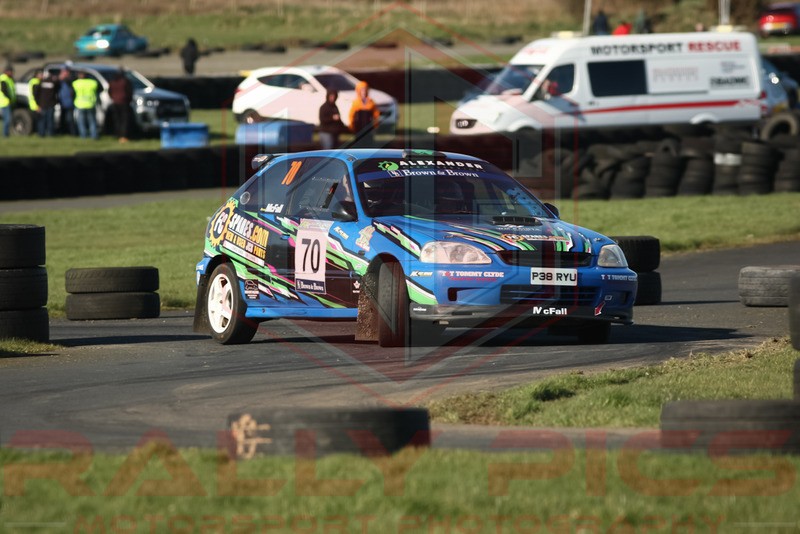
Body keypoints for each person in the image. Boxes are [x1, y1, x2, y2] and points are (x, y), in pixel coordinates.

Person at [348, 80, 380, 147]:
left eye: (365, 90)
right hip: (358, 128)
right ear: (358, 91)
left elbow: (376, 115)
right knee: (359, 145)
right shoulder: (356, 102)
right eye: (362, 90)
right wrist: (352, 126)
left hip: (368, 128)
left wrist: (376, 125)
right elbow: (351, 115)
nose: (364, 92)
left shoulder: (371, 102)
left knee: (369, 145)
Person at [108, 67, 133, 142]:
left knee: (117, 120)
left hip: (115, 102)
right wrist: (128, 100)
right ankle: (123, 136)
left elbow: (109, 92)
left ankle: (118, 135)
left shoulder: (112, 81)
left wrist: (113, 98)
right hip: (124, 102)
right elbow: (129, 92)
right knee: (124, 121)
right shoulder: (125, 81)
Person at [72, 71, 99, 139]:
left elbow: (72, 93)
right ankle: (94, 135)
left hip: (80, 104)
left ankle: (83, 136)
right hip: (90, 104)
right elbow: (98, 91)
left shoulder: (75, 83)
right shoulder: (93, 82)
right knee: (92, 121)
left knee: (81, 122)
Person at [36, 71, 59, 137]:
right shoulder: (53, 82)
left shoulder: (41, 82)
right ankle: (50, 134)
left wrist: (38, 103)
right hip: (50, 104)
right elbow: (57, 89)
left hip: (42, 104)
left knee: (42, 120)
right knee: (50, 120)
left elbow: (36, 94)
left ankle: (41, 134)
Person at [58, 68, 76, 136]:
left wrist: (63, 78)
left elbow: (70, 83)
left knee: (70, 119)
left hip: (70, 103)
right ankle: (62, 132)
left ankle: (72, 133)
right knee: (62, 119)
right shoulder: (60, 81)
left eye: (65, 72)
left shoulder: (71, 79)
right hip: (62, 102)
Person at [0, 64, 16, 137]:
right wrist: (9, 98)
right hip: (5, 102)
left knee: (8, 119)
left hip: (8, 102)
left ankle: (6, 134)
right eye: (11, 71)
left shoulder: (9, 78)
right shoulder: (3, 78)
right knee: (7, 119)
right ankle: (5, 134)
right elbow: (4, 90)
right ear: (7, 71)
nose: (12, 73)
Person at [28, 69, 42, 136]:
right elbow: (35, 95)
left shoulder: (33, 81)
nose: (42, 76)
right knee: (38, 120)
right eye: (40, 74)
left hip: (33, 104)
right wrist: (37, 105)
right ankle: (38, 133)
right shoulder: (36, 82)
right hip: (35, 105)